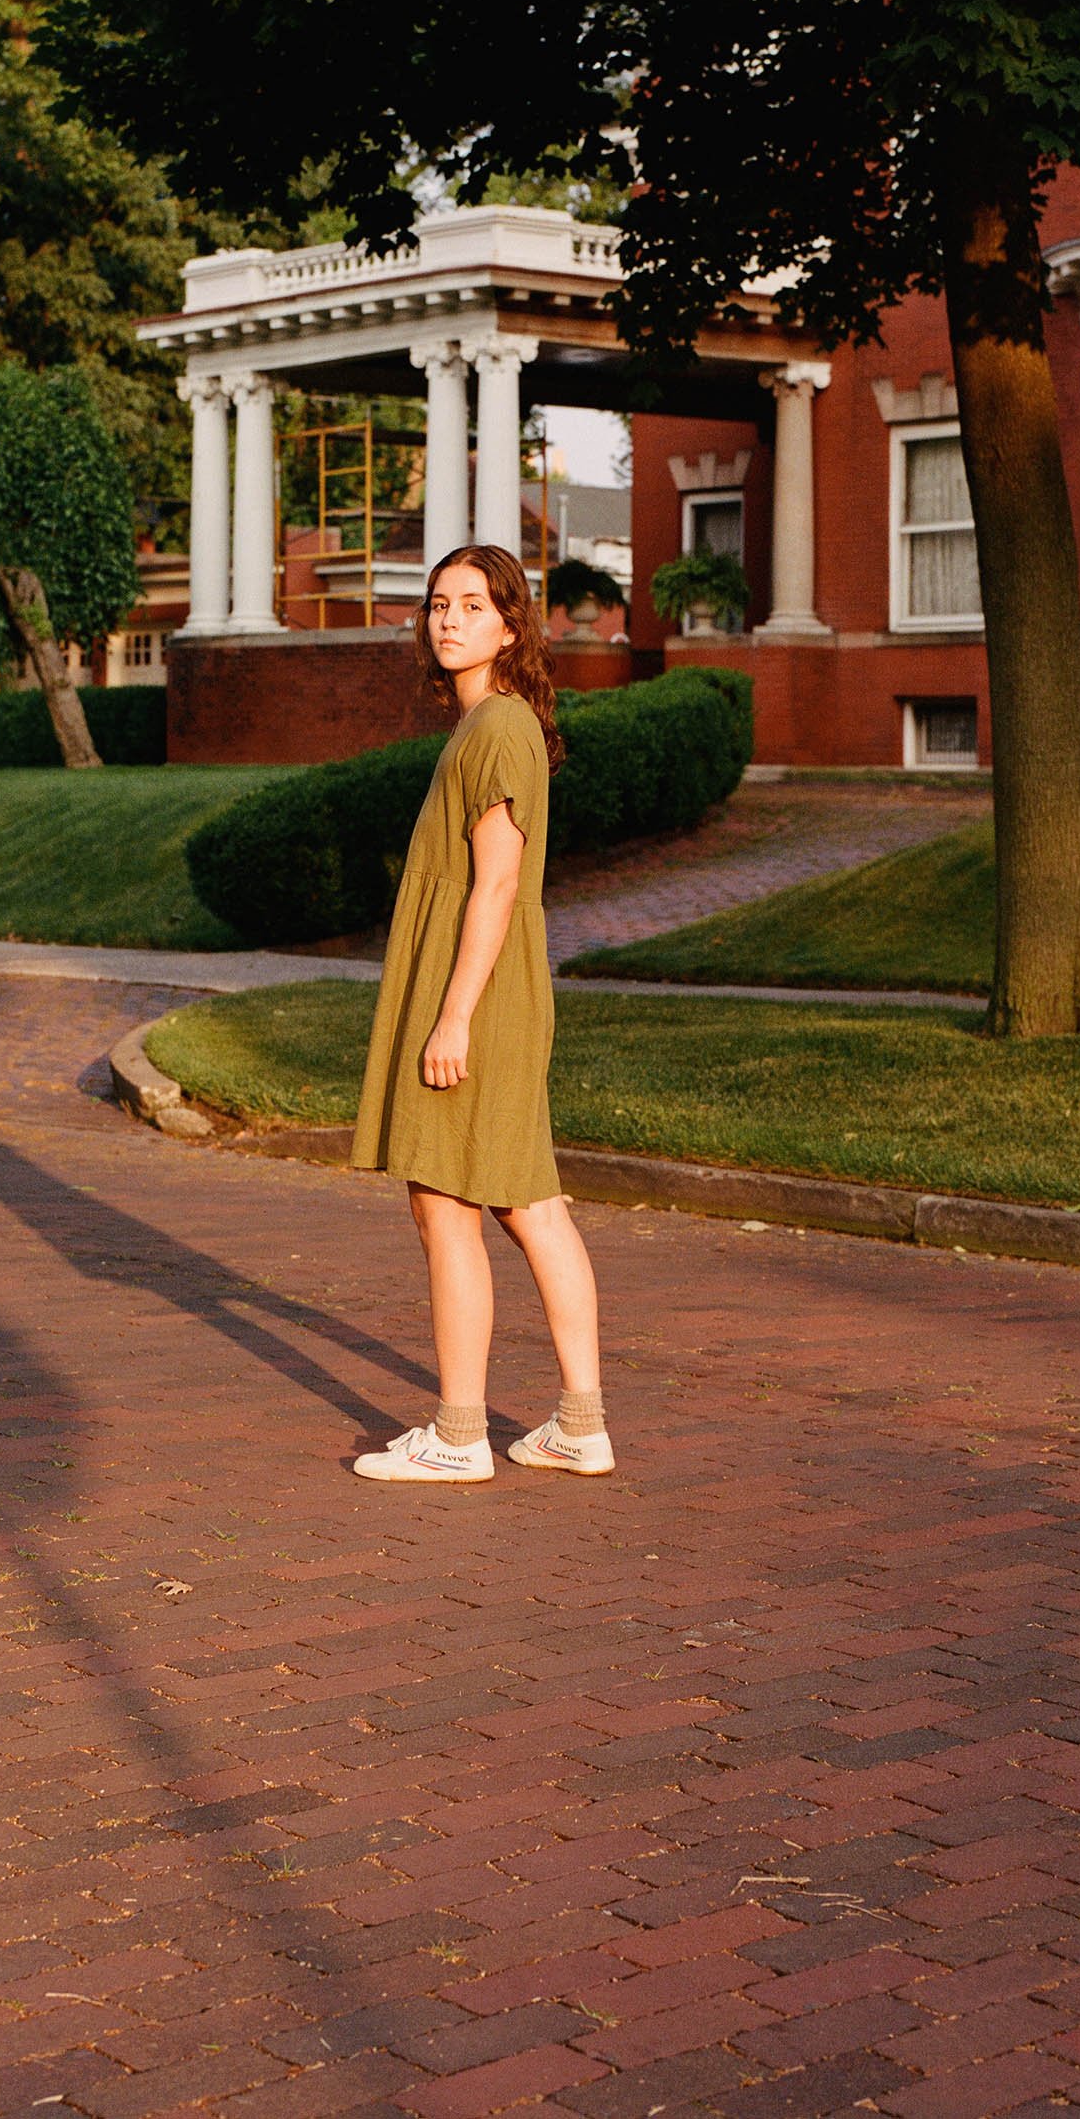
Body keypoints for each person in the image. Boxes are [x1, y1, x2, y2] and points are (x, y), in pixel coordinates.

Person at [347, 543, 612, 1484]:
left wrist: (453, 1016)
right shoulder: (493, 728)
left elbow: (495, 888)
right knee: (529, 1202)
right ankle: (580, 1425)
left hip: (481, 993)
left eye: (471, 604)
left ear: (511, 625)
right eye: (437, 604)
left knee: (444, 1200)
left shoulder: (497, 729)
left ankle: (460, 1437)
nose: (448, 619)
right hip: (495, 990)